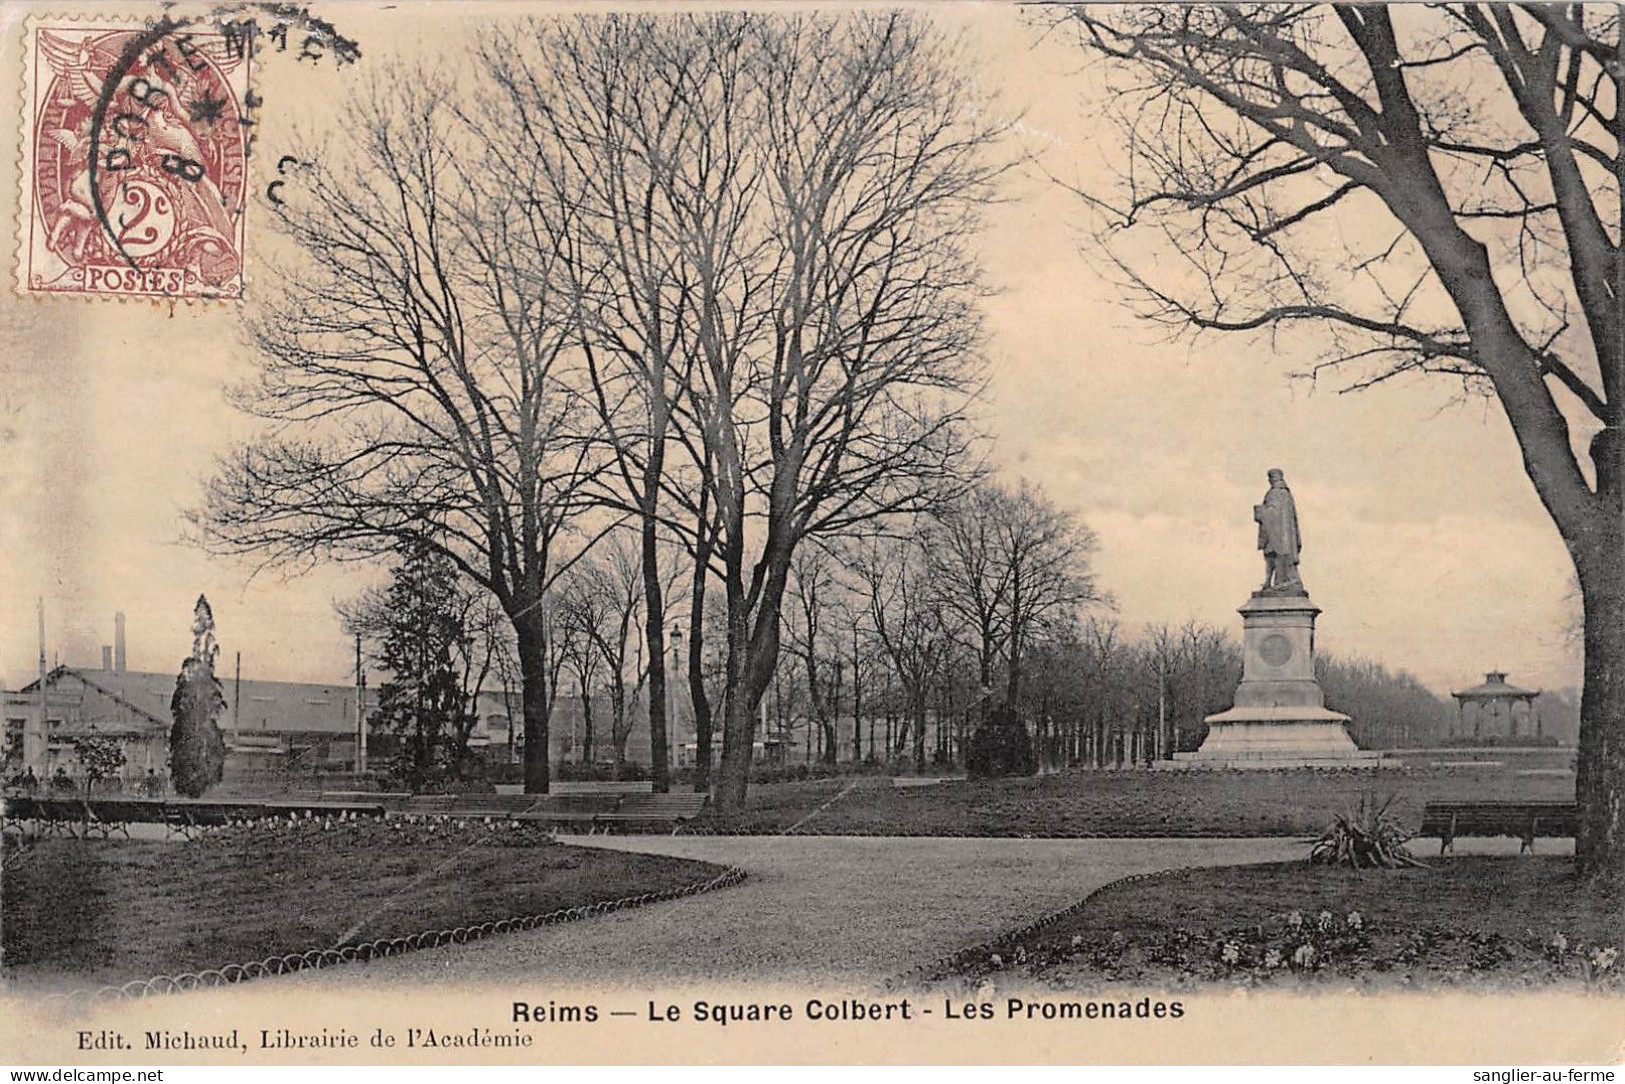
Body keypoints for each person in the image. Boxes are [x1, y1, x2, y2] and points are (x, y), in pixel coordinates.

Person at [1254, 468, 1303, 591]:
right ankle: (1270, 582)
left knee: (1273, 557)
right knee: (1271, 557)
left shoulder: (1275, 493)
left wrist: (1260, 512)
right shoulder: (1285, 494)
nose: (1269, 480)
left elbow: (1273, 513)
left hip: (1277, 535)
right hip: (1280, 535)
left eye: (1270, 478)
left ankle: (1280, 581)